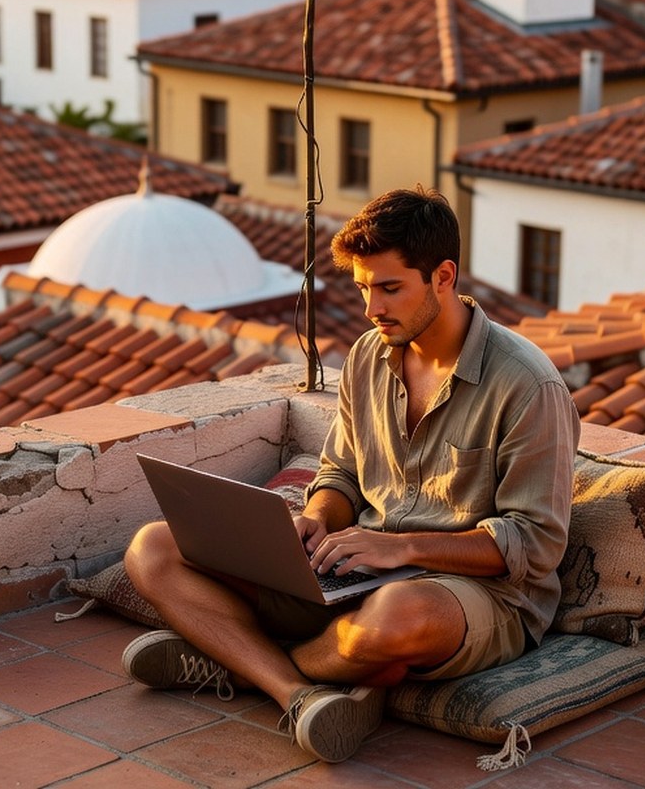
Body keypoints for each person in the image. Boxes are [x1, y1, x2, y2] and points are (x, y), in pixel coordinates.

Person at [122, 185, 578, 763]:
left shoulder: (527, 385)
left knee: (392, 623)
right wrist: (315, 517)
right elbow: (340, 472)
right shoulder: (368, 355)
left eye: (390, 288)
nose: (372, 308)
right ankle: (297, 692)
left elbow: (534, 544)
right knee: (153, 548)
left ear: (443, 276)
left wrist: (398, 546)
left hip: (473, 594)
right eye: (364, 288)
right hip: (352, 566)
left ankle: (235, 661)